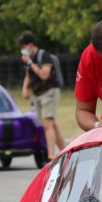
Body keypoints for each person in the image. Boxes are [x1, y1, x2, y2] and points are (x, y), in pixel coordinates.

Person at [18, 30, 66, 160]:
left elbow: (45, 75)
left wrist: (30, 63)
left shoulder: (44, 56)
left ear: (30, 45)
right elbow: (28, 75)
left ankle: (51, 155)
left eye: (23, 47)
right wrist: (25, 89)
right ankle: (65, 151)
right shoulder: (29, 60)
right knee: (51, 123)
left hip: (49, 91)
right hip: (38, 94)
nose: (22, 50)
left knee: (47, 124)